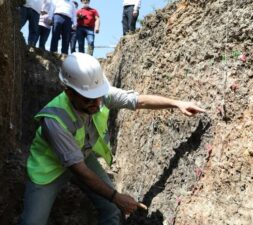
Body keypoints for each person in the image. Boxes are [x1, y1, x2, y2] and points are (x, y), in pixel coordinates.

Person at [19, 52, 205, 225]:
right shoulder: (55, 120)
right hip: (49, 168)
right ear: (69, 92)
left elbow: (138, 101)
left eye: (98, 97)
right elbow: (80, 170)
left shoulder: (97, 94)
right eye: (88, 99)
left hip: (82, 155)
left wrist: (176, 103)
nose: (95, 104)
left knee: (113, 211)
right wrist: (116, 196)